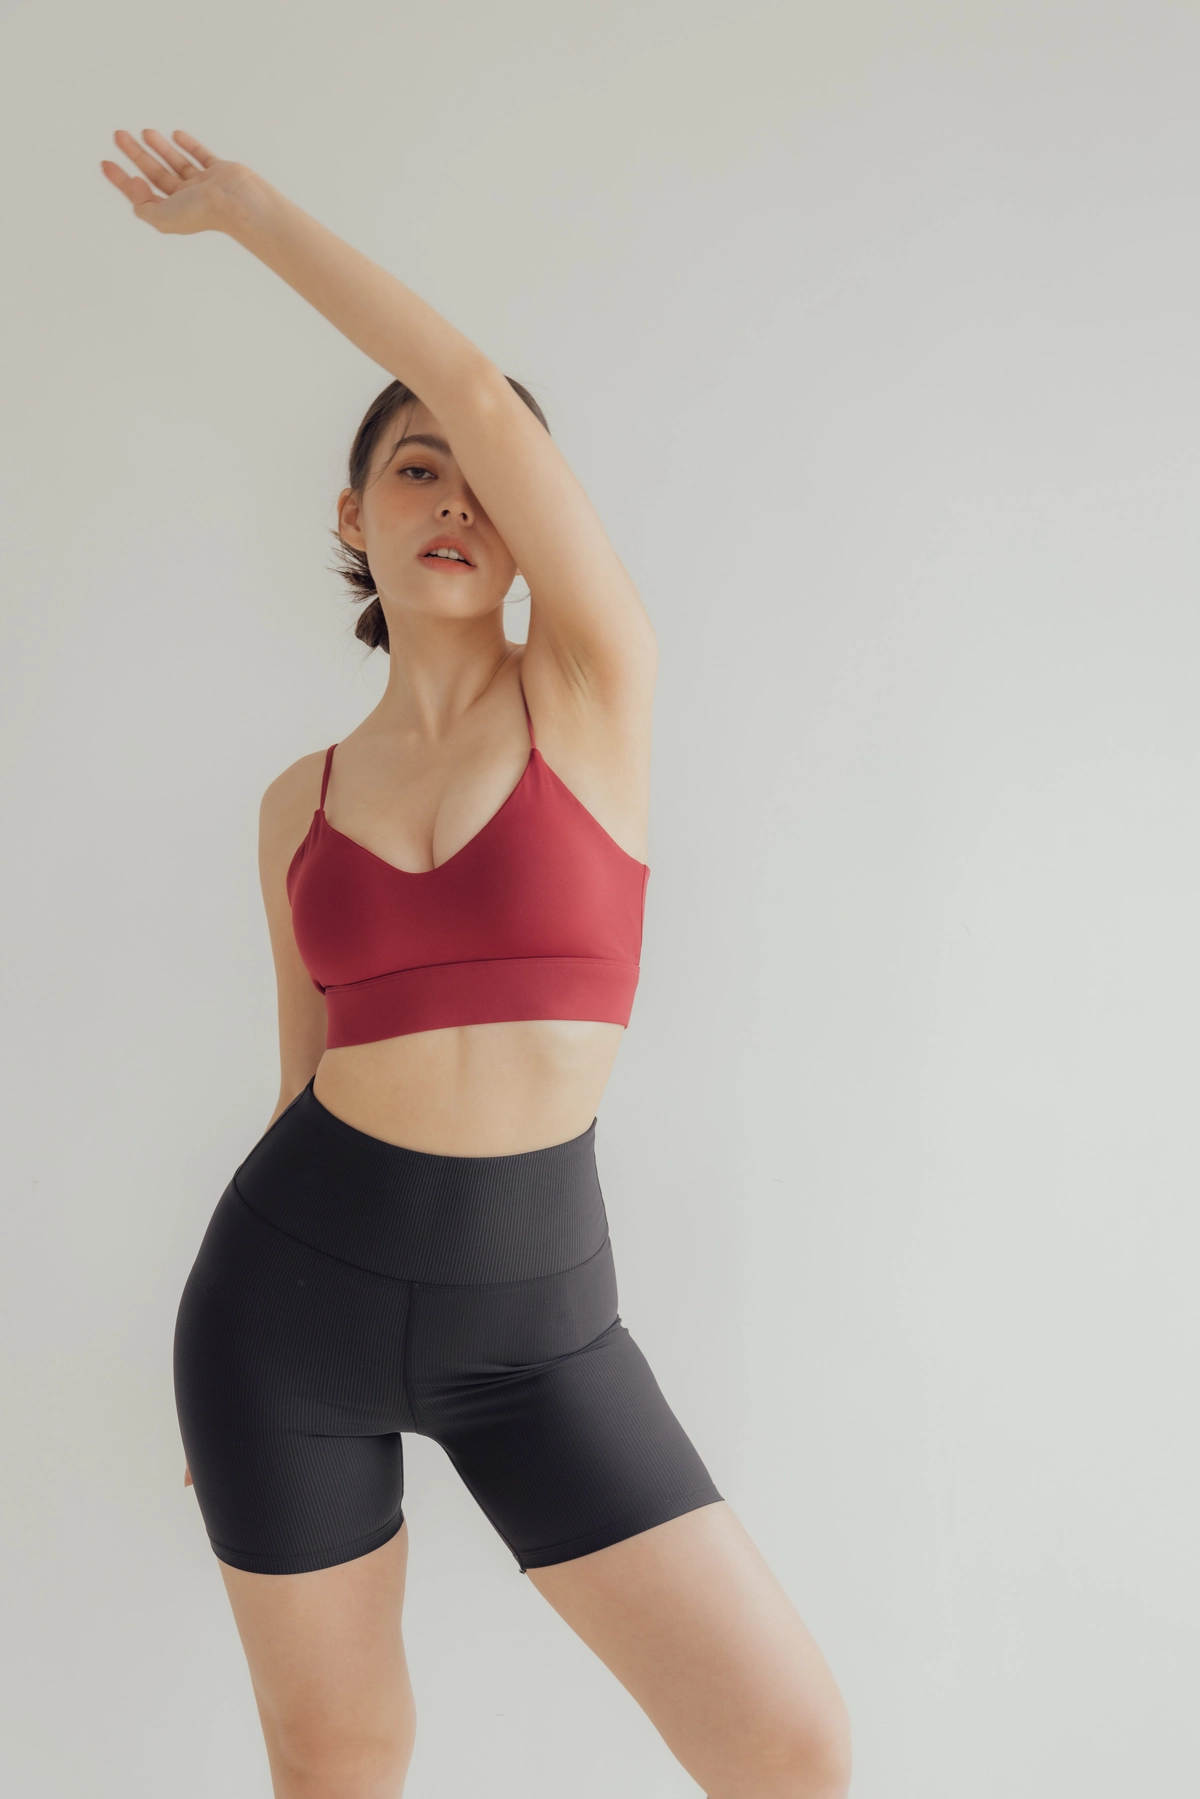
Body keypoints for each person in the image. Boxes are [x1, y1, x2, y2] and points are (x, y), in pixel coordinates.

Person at [101, 127, 853, 1799]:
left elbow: (480, 400)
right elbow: (301, 1073)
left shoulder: (592, 686)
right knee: (342, 1759)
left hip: (538, 1330)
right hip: (279, 1314)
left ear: (531, 524)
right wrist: (224, 1396)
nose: (457, 497)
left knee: (786, 1744)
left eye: (485, 478)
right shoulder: (296, 804)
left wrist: (250, 215)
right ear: (352, 513)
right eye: (415, 468)